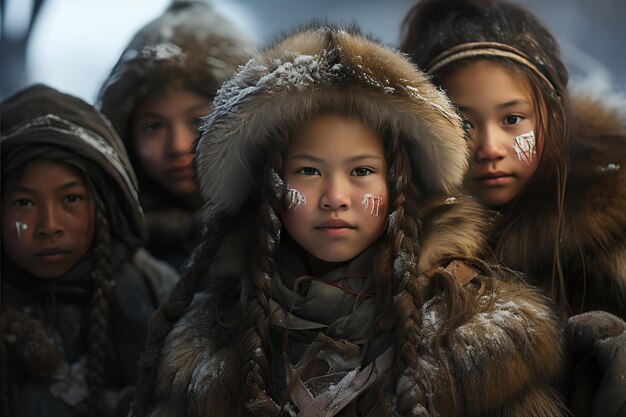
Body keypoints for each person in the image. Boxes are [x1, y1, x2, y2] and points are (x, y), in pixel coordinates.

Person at [130, 25, 566, 417]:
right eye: (308, 171)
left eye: (361, 171)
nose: (335, 199)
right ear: (267, 189)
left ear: (400, 183)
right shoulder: (210, 345)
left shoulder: (478, 335)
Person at [400, 1, 626, 415]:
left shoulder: (615, 228)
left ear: (552, 118)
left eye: (512, 120)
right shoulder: (390, 238)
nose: (490, 149)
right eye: (463, 123)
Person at [0, 84, 179, 417]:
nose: (49, 225)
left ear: (104, 205)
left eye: (71, 198)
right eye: (23, 202)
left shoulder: (158, 294)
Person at [97, 0, 253, 269]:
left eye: (199, 120)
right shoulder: (97, 243)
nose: (178, 146)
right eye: (154, 126)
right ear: (124, 135)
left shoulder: (300, 230)